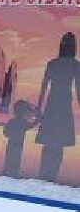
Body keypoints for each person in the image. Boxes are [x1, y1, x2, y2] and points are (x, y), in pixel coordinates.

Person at [34, 31, 78, 182]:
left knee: (49, 143)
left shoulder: (52, 63)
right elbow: (79, 90)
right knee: (58, 144)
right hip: (63, 105)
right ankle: (50, 177)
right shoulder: (75, 65)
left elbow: (43, 87)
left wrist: (39, 107)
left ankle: (44, 176)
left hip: (52, 105)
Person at [3, 98, 38, 178]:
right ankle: (13, 173)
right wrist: (36, 111)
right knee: (16, 159)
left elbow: (5, 133)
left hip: (11, 144)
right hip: (18, 144)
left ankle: (8, 172)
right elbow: (33, 123)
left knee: (10, 159)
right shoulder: (23, 122)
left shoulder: (12, 121)